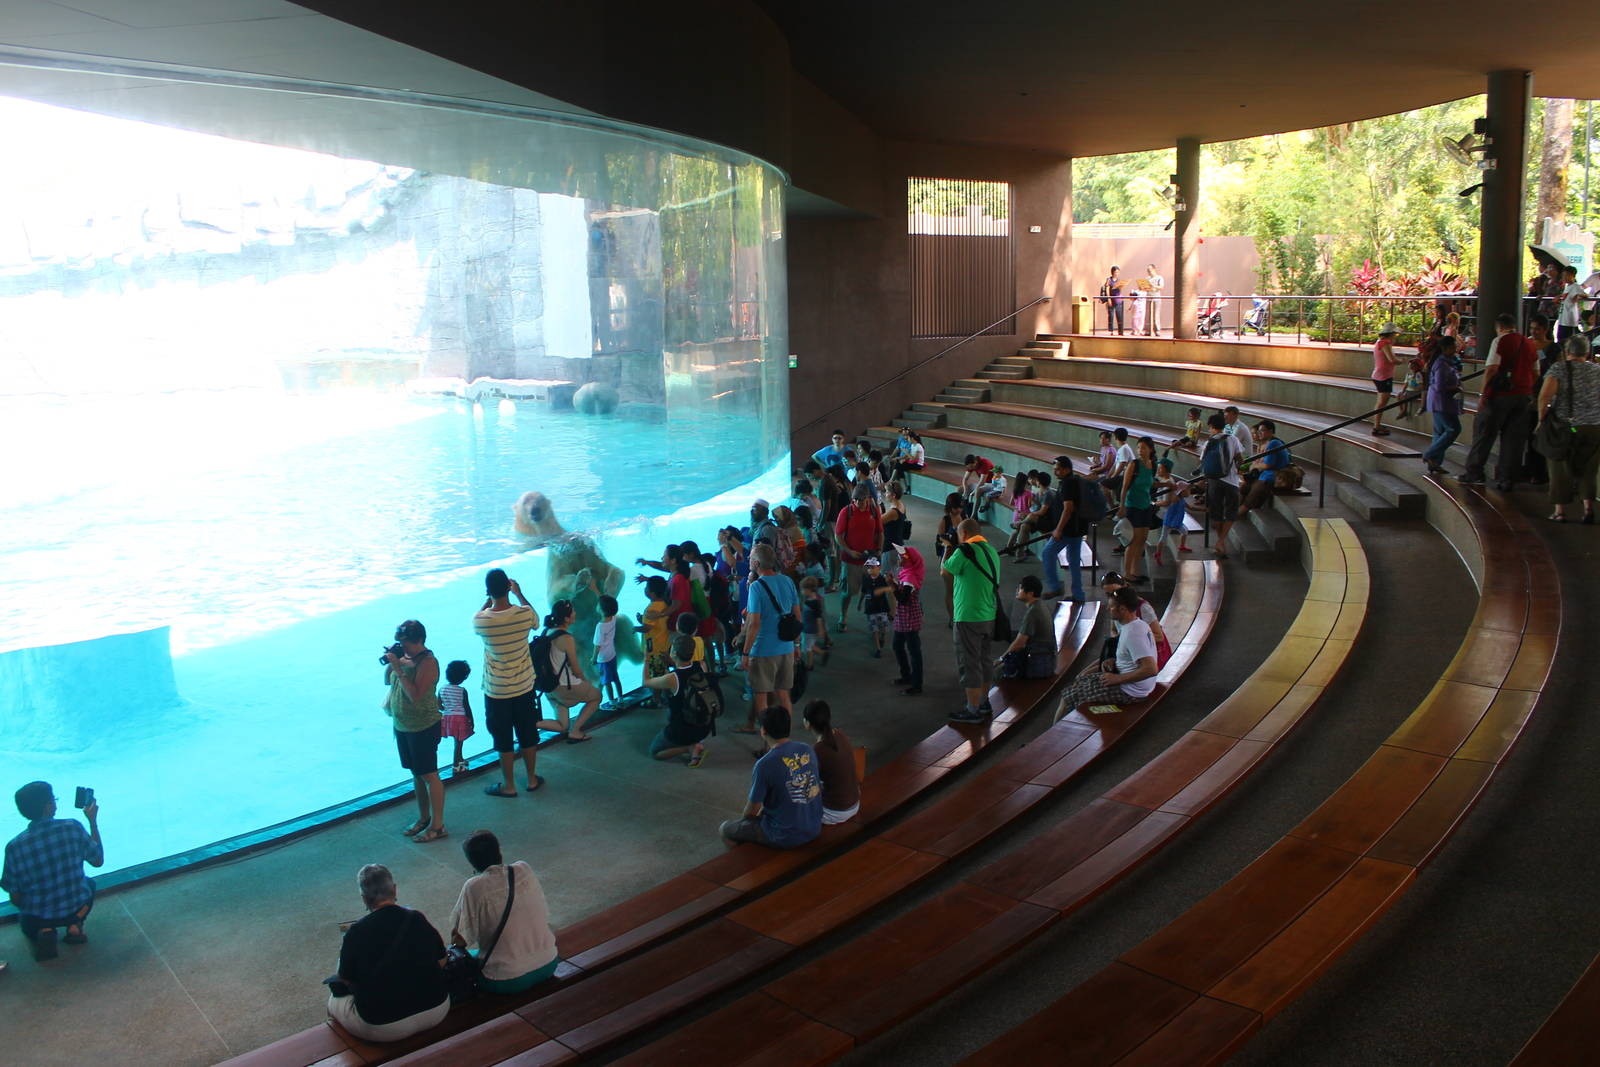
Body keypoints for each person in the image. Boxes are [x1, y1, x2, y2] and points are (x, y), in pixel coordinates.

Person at [327, 864, 449, 1042]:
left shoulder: (355, 933)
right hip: (437, 1008)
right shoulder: (415, 918)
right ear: (394, 889)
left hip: (384, 1026)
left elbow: (346, 978)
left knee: (333, 1003)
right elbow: (442, 960)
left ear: (364, 898)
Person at [448, 831, 560, 994]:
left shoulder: (474, 886)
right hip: (549, 963)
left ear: (471, 862)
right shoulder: (523, 868)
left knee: (467, 959)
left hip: (505, 980)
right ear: (499, 850)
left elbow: (460, 939)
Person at [2, 782, 103, 961]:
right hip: (78, 906)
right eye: (53, 799)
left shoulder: (15, 847)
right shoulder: (72, 827)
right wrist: (92, 822)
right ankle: (74, 925)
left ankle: (45, 928)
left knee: (26, 914)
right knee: (90, 884)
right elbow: (97, 861)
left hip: (37, 916)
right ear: (48, 806)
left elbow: (15, 898)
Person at [474, 569, 544, 799]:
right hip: (524, 687)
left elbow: (483, 611)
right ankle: (532, 779)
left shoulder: (481, 621)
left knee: (503, 739)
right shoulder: (523, 614)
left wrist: (490, 598)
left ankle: (509, 785)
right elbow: (536, 621)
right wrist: (519, 594)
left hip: (497, 691)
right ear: (508, 588)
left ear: (488, 591)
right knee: (528, 733)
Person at [718, 706, 822, 848]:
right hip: (814, 827)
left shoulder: (765, 764)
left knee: (725, 829)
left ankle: (747, 862)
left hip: (784, 835)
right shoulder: (807, 749)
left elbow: (751, 812)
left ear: (763, 731)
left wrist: (745, 823)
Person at [1051, 588, 1160, 719]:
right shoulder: (1138, 624)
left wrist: (1117, 678)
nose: (1108, 610)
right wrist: (1115, 661)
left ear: (1123, 609)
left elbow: (1151, 669)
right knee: (1080, 680)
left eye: (1112, 607)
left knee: (1067, 697)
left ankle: (1053, 737)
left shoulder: (1133, 633)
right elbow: (1134, 657)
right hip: (1132, 685)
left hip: (1129, 691)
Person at [384, 619, 446, 842]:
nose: (403, 646)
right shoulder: (404, 658)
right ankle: (424, 817)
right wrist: (392, 662)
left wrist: (399, 668)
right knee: (416, 774)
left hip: (423, 726)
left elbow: (416, 695)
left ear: (418, 640)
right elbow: (387, 682)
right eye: (400, 642)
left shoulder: (428, 662)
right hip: (403, 726)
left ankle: (438, 825)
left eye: (406, 643)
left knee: (430, 775)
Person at [1462, 312, 1539, 491]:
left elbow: (1492, 369)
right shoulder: (1529, 343)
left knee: (1485, 433)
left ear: (1499, 327)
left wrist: (1483, 395)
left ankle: (1474, 472)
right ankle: (1507, 478)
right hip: (1523, 396)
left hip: (1499, 396)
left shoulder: (1500, 341)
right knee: (1514, 440)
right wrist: (1524, 386)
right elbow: (1536, 372)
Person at [942, 518, 1002, 723]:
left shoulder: (964, 551)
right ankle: (984, 702)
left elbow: (945, 570)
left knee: (969, 663)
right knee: (985, 660)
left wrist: (948, 549)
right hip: (988, 615)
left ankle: (972, 709)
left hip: (967, 616)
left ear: (964, 534)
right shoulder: (992, 551)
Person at [1536, 334, 1600, 523]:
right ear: (1587, 352)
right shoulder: (1597, 370)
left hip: (1567, 428)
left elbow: (1544, 396)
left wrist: (1541, 419)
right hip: (1595, 427)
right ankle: (1588, 509)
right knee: (1589, 469)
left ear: (1566, 351)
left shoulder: (1559, 369)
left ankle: (1560, 511)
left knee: (1559, 467)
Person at [739, 543, 802, 733]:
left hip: (763, 650)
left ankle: (767, 744)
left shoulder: (757, 587)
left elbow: (754, 624)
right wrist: (797, 643)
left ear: (757, 563)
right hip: (786, 647)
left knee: (761, 697)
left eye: (750, 558)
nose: (748, 560)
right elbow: (797, 617)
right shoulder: (787, 581)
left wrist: (745, 652)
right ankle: (785, 736)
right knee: (784, 695)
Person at [641, 635, 720, 766]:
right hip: (704, 725)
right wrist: (672, 663)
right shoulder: (701, 666)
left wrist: (646, 659)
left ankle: (689, 748)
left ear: (674, 653)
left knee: (655, 752)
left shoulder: (673, 678)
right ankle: (696, 742)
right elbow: (685, 670)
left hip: (682, 731)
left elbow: (646, 682)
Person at [541, 600, 600, 743]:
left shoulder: (547, 632)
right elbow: (575, 667)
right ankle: (576, 731)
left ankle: (528, 723)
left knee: (562, 726)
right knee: (596, 696)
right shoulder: (567, 638)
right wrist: (586, 681)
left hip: (550, 688)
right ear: (567, 619)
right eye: (573, 611)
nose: (575, 613)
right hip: (565, 686)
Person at [833, 484, 883, 632]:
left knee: (873, 593)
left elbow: (880, 532)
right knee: (849, 591)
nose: (858, 503)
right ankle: (843, 616)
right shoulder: (846, 512)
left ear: (868, 498)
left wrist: (879, 549)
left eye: (861, 500)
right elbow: (838, 536)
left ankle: (874, 621)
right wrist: (849, 551)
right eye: (855, 500)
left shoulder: (875, 511)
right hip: (851, 561)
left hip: (870, 559)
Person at [802, 701, 859, 825]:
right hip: (854, 803)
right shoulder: (840, 734)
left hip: (834, 812)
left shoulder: (817, 751)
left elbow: (807, 787)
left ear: (807, 723)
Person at [1041, 456, 1088, 603]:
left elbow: (1068, 508)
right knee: (1073, 561)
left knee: (1047, 553)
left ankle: (1055, 587)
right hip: (1078, 528)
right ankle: (1078, 595)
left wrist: (1058, 529)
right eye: (1054, 469)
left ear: (1067, 469)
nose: (1055, 472)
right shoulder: (1073, 481)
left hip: (1068, 529)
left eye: (1058, 469)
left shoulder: (1068, 484)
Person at [1199, 414, 1246, 559]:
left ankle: (1221, 545)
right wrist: (1239, 469)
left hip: (1214, 481)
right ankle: (1221, 542)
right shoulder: (1233, 439)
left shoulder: (1209, 443)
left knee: (1217, 513)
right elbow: (1240, 459)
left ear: (1211, 426)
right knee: (1232, 512)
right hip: (1231, 481)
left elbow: (1202, 462)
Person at [998, 575, 1057, 679]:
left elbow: (1019, 643)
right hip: (1047, 658)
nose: (1017, 591)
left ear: (1030, 593)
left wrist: (1001, 659)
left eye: (1020, 588)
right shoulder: (1040, 605)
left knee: (998, 672)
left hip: (1039, 664)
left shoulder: (1033, 612)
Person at [1118, 437, 1158, 585]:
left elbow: (1151, 482)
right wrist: (1122, 506)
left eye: (1143, 448)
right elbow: (1124, 486)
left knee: (1142, 539)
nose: (1140, 451)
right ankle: (1127, 573)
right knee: (1133, 540)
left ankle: (1135, 571)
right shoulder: (1134, 465)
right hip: (1133, 506)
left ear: (1151, 449)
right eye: (1139, 448)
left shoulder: (1152, 464)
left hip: (1145, 505)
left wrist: (1167, 483)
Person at [886, 544, 926, 694]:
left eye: (901, 556)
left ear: (909, 559)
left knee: (914, 651)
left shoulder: (909, 576)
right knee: (898, 645)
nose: (899, 558)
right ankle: (907, 676)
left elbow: (903, 599)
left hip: (909, 618)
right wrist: (895, 584)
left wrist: (892, 585)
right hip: (903, 618)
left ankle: (916, 684)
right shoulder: (906, 571)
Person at [1422, 335, 1464, 477]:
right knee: (1453, 429)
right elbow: (1440, 385)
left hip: (1441, 402)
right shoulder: (1441, 364)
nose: (1455, 349)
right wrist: (1455, 388)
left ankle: (1434, 463)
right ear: (1445, 348)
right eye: (1452, 347)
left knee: (1439, 432)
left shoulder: (1449, 361)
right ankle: (1430, 454)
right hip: (1442, 402)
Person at [1238, 420, 1290, 518]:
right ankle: (1236, 510)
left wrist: (1255, 466)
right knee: (1245, 486)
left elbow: (1268, 465)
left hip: (1273, 475)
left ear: (1271, 431)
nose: (1259, 433)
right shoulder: (1266, 443)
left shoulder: (1273, 443)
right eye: (1259, 431)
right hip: (1265, 474)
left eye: (1262, 431)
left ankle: (1239, 512)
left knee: (1255, 490)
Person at [1152, 457, 1191, 565]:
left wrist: (1154, 502)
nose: (1158, 471)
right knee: (1179, 531)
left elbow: (1166, 502)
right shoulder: (1166, 480)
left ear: (1167, 470)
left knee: (1165, 536)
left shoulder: (1168, 483)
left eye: (1160, 468)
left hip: (1167, 514)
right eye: (1158, 468)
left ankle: (1159, 553)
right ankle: (1159, 553)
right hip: (1170, 514)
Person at [439, 660, 475, 775]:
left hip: (448, 719)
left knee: (457, 743)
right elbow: (467, 707)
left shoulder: (442, 689)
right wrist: (471, 720)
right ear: (463, 677)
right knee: (459, 744)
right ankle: (456, 766)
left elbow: (438, 705)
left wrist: (447, 710)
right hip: (460, 719)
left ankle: (460, 759)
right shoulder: (462, 691)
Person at [859, 556, 895, 658]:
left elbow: (891, 588)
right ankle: (878, 648)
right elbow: (863, 592)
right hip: (870, 607)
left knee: (883, 626)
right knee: (874, 628)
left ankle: (882, 636)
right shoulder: (866, 580)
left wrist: (884, 589)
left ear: (878, 568)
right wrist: (860, 603)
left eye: (872, 567)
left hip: (882, 607)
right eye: (869, 567)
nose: (870, 569)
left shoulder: (882, 579)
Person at [592, 595, 623, 707]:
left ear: (601, 609)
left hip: (603, 658)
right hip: (612, 654)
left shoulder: (600, 627)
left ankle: (611, 702)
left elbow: (597, 645)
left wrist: (594, 658)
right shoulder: (613, 619)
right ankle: (621, 698)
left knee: (606, 680)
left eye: (598, 604)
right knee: (616, 677)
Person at [1371, 324, 1399, 436]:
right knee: (1382, 402)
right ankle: (1376, 426)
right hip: (1383, 376)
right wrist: (1400, 360)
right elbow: (1391, 359)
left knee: (1380, 402)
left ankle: (1377, 425)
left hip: (1380, 374)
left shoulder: (1379, 342)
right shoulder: (1384, 343)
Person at [1557, 265, 1585, 344]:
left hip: (1569, 319)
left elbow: (1585, 295)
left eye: (1566, 275)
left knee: (1568, 341)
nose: (1564, 277)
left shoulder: (1576, 286)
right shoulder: (1567, 286)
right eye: (1563, 275)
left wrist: (1579, 296)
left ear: (1572, 275)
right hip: (1563, 317)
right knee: (1561, 340)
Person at [1101, 265, 1125, 334]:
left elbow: (1120, 290)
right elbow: (1107, 289)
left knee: (1119, 315)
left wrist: (1121, 286)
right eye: (1115, 272)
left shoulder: (1119, 280)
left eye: (1118, 272)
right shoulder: (1109, 279)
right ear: (1112, 272)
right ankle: (1111, 331)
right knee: (1111, 315)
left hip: (1118, 299)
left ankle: (1120, 331)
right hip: (1111, 299)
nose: (1117, 273)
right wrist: (1108, 299)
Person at [1145, 263, 1165, 334]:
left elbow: (1161, 287)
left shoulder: (1159, 277)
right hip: (1148, 297)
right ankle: (1148, 330)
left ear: (1154, 269)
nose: (1148, 271)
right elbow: (1145, 288)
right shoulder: (1147, 278)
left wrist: (1153, 286)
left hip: (1156, 297)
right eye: (1147, 270)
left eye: (1149, 270)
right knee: (1148, 314)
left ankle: (1157, 330)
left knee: (1156, 314)